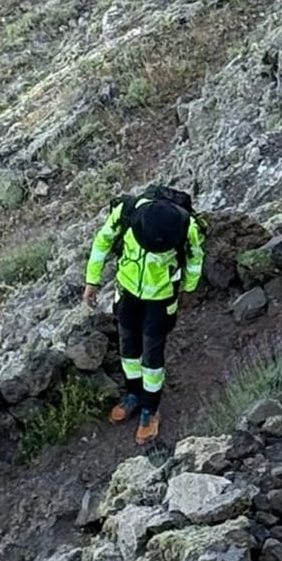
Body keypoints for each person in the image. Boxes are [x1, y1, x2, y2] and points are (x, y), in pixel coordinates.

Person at [82, 189, 205, 445]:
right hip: (127, 293)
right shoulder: (126, 212)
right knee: (128, 348)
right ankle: (133, 394)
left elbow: (195, 260)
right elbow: (102, 241)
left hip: (162, 300)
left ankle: (150, 408)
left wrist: (189, 290)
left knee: (151, 356)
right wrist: (91, 280)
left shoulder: (188, 227)